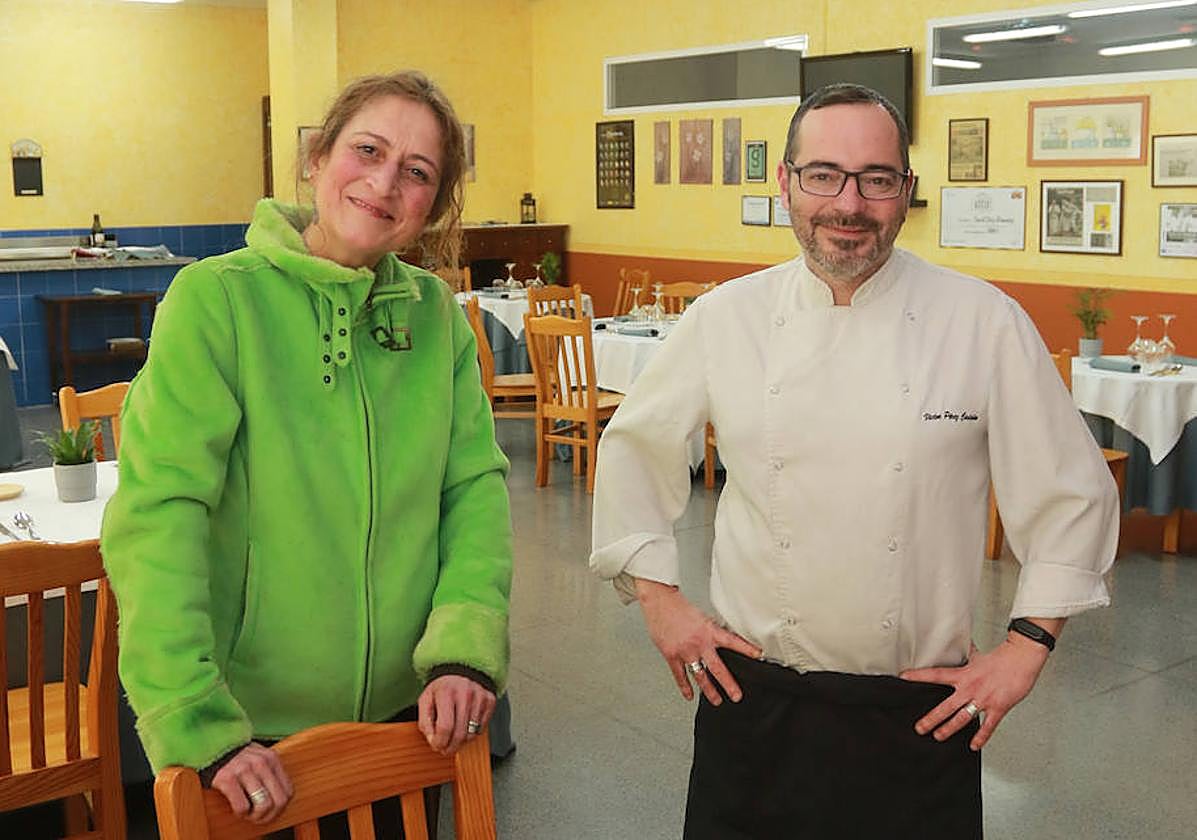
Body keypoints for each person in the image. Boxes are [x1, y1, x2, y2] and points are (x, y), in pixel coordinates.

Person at [590, 83, 1119, 839]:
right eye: (823, 175)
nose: (848, 202)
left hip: (918, 709)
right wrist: (660, 603)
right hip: (752, 698)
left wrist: (1026, 648)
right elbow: (634, 451)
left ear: (905, 192)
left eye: (875, 179)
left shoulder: (982, 321)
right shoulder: (725, 317)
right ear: (784, 183)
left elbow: (1070, 492)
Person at [101, 70, 512, 828]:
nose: (384, 182)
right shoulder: (217, 299)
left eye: (417, 172)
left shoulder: (439, 324)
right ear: (317, 157)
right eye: (367, 149)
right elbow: (159, 516)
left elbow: (473, 493)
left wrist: (462, 649)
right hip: (250, 740)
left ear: (433, 205)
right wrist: (195, 719)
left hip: (406, 723)